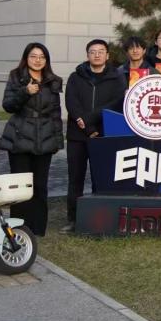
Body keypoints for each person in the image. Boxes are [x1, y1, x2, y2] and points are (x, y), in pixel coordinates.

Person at [0, 43, 63, 236]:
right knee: (20, 186)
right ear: (26, 58)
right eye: (33, 56)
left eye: (42, 57)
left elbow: (56, 113)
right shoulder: (16, 76)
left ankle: (38, 228)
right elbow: (8, 105)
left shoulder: (53, 81)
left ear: (46, 60)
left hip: (45, 138)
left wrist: (57, 141)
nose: (37, 60)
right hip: (20, 137)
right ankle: (19, 228)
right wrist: (25, 92)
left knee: (40, 185)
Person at [63, 39, 125, 231]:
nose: (97, 55)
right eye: (93, 51)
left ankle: (101, 219)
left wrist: (89, 119)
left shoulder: (116, 77)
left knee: (101, 178)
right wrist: (87, 126)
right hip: (77, 135)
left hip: (103, 133)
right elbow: (71, 102)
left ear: (107, 55)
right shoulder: (76, 77)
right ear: (87, 55)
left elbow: (116, 102)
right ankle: (74, 219)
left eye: (101, 51)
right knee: (75, 178)